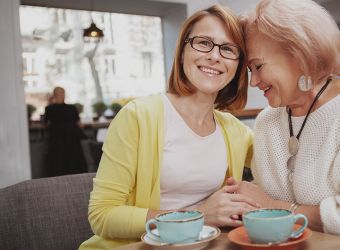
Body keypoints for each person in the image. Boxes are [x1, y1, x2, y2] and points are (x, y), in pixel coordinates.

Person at [226, 0, 340, 249]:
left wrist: (270, 205)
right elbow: (264, 200)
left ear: (300, 54)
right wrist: (242, 203)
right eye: (249, 70)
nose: (254, 81)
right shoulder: (267, 122)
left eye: (258, 66)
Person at [79, 5, 258, 250]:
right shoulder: (138, 116)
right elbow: (102, 216)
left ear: (238, 66)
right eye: (204, 43)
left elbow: (283, 164)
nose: (215, 56)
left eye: (227, 49)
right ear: (182, 52)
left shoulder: (235, 130)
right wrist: (198, 216)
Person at [45, 87, 88, 177]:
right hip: (73, 142)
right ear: (63, 94)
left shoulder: (49, 109)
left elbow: (46, 124)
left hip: (57, 142)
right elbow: (80, 125)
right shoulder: (71, 108)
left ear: (53, 96)